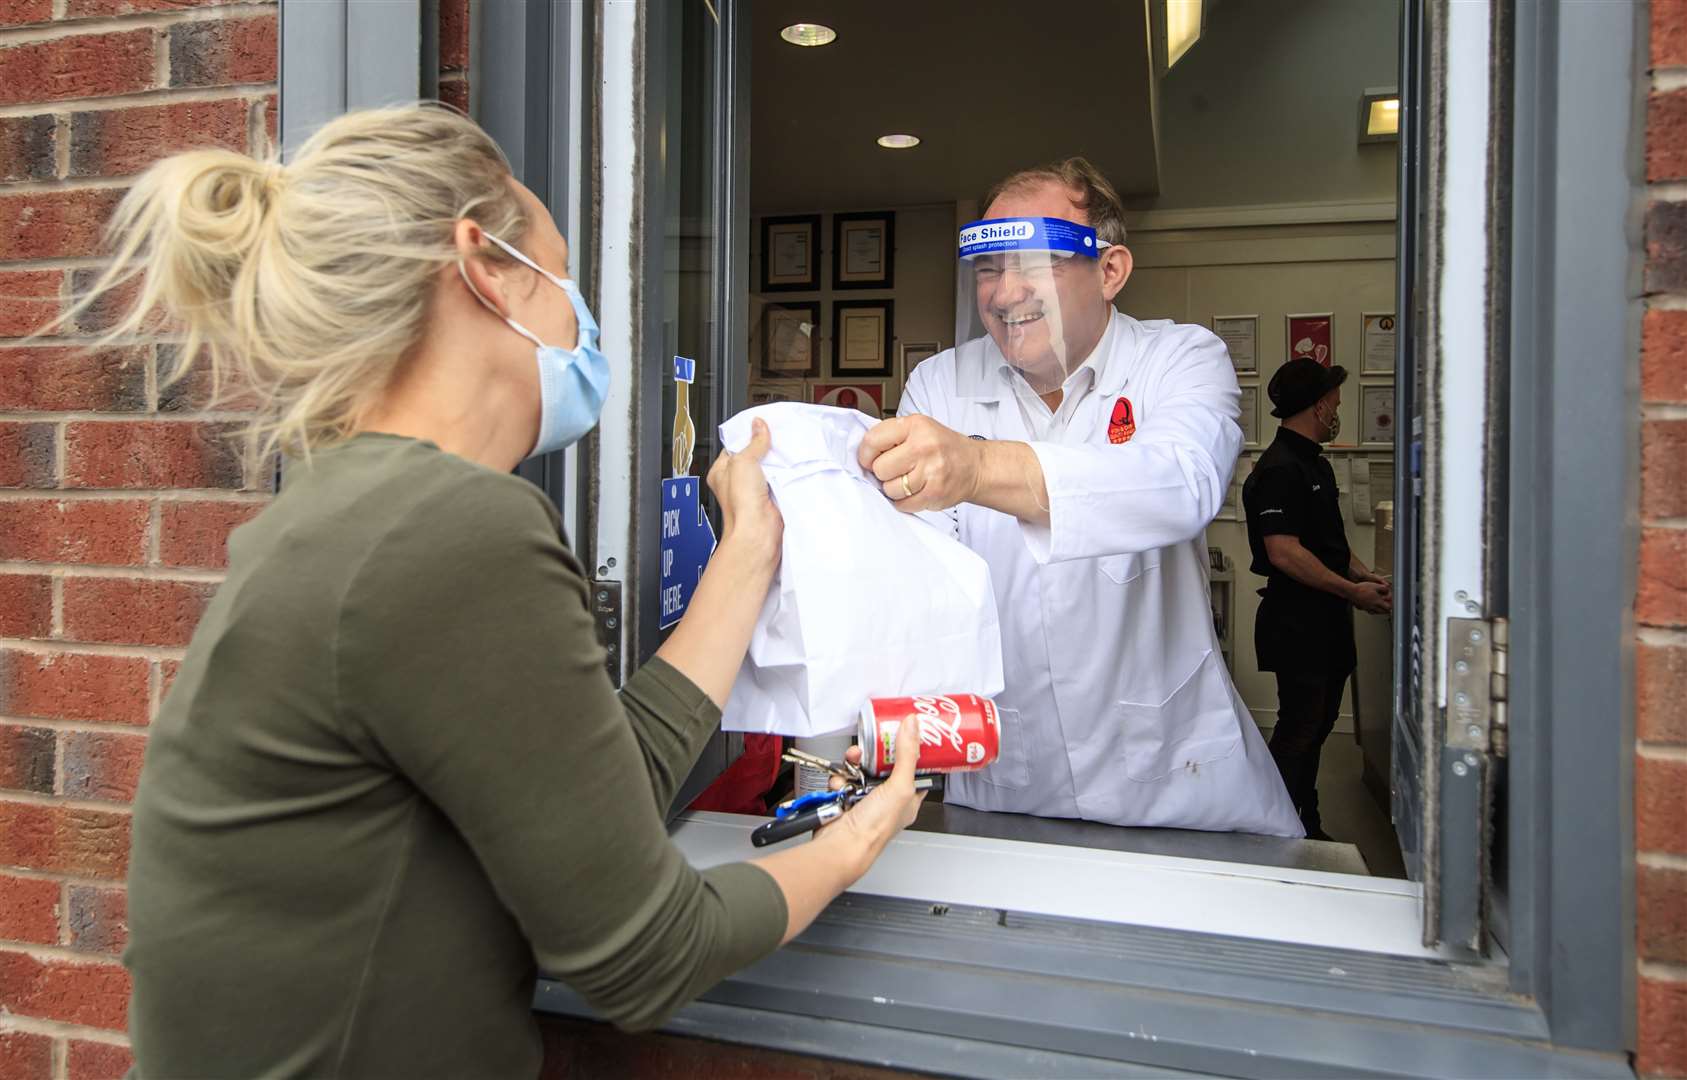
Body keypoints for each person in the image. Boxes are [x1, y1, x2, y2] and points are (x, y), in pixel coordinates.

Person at [53, 104, 927, 1079]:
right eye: (564, 281)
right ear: (485, 266)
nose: (581, 324)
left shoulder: (353, 509)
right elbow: (648, 954)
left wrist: (747, 554)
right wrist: (858, 840)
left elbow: (590, 798)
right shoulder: (455, 528)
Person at [857, 157, 1302, 837]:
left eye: (1033, 265)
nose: (1005, 295)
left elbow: (1180, 485)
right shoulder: (940, 383)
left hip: (1175, 782)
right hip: (1007, 776)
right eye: (987, 269)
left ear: (1110, 270)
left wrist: (976, 467)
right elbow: (923, 573)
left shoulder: (1179, 358)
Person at [1242, 357, 1392, 840]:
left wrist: (1369, 576)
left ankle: (1306, 822)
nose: (1337, 412)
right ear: (1320, 405)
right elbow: (1284, 552)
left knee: (1320, 724)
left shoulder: (1315, 465)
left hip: (1326, 623)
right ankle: (1280, 827)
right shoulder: (1279, 469)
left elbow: (1329, 541)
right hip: (1297, 623)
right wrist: (1353, 592)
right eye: (1335, 404)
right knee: (1299, 731)